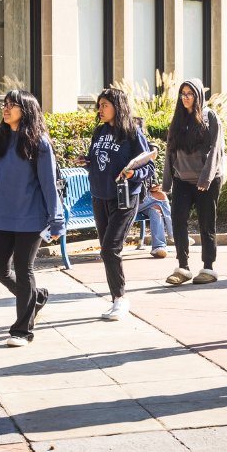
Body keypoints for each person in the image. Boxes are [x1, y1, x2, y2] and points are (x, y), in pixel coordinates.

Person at [0, 90, 64, 346]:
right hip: (4, 218)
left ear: (26, 109)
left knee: (23, 268)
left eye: (12, 105)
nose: (6, 109)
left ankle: (22, 330)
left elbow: (49, 184)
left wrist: (56, 220)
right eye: (4, 104)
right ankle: (36, 298)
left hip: (31, 218)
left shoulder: (39, 143)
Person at [83, 88, 154, 320]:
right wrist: (87, 162)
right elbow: (99, 161)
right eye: (99, 105)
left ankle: (121, 299)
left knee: (110, 248)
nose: (100, 109)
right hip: (99, 196)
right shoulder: (99, 131)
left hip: (124, 198)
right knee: (107, 251)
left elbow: (149, 165)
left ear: (117, 106)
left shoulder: (132, 133)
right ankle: (116, 298)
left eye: (105, 105)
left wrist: (134, 174)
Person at [163, 79, 226, 285]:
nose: (185, 97)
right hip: (182, 179)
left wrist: (206, 178)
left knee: (206, 224)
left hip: (206, 181)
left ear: (198, 95)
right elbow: (170, 150)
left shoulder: (210, 117)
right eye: (183, 93)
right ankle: (183, 267)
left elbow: (216, 149)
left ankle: (208, 267)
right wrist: (167, 183)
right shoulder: (178, 118)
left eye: (190, 93)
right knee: (178, 221)